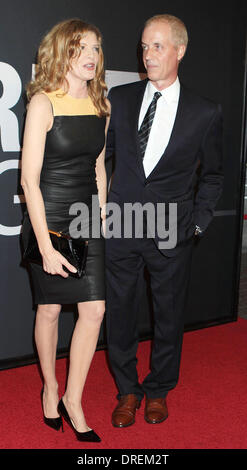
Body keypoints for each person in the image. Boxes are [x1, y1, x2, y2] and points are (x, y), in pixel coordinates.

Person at [105, 14, 223, 427]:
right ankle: (127, 390)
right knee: (119, 311)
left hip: (173, 232)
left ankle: (158, 390)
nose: (147, 55)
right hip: (122, 227)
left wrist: (197, 224)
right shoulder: (118, 99)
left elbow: (212, 176)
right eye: (144, 46)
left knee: (169, 314)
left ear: (180, 50)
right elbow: (103, 161)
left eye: (157, 46)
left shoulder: (205, 112)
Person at [21, 18, 110, 442]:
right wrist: (44, 244)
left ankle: (73, 398)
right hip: (49, 219)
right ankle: (51, 388)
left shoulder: (100, 105)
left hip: (88, 219)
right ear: (63, 52)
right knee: (51, 310)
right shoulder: (43, 103)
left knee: (94, 310)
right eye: (82, 48)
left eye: (96, 48)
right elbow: (28, 181)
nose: (91, 56)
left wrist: (104, 212)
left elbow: (97, 166)